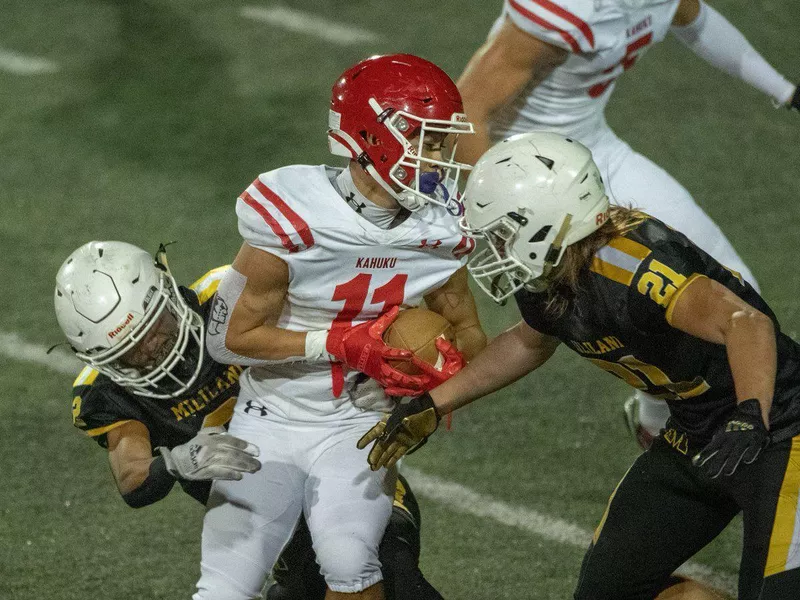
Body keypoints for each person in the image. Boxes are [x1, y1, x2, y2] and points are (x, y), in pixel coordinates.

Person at [359, 132, 800, 599]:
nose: (498, 246)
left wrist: (749, 416)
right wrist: (433, 402)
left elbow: (747, 323)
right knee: (607, 593)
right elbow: (529, 344)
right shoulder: (554, 271)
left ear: (544, 221)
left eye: (505, 231)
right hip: (696, 430)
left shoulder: (632, 265)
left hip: (781, 426)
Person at [196, 53, 486, 600]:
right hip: (272, 416)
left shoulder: (441, 223)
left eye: (441, 141)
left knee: (350, 560)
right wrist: (338, 343)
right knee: (226, 586)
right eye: (426, 139)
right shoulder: (294, 212)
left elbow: (468, 330)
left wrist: (440, 378)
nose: (440, 158)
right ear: (374, 137)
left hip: (360, 421)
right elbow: (228, 338)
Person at [455, 0, 799, 447]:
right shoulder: (568, 6)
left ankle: (657, 426)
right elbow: (468, 110)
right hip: (527, 171)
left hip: (594, 150)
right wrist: (495, 205)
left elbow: (694, 20)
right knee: (613, 310)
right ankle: (666, 451)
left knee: (735, 288)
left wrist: (786, 90)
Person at [54, 240, 447, 600]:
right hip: (275, 523)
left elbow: (343, 333)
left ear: (168, 294)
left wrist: (377, 384)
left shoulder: (227, 298)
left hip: (348, 474)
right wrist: (174, 463)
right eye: (129, 352)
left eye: (152, 328)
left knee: (390, 569)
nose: (151, 350)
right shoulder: (103, 392)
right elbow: (131, 476)